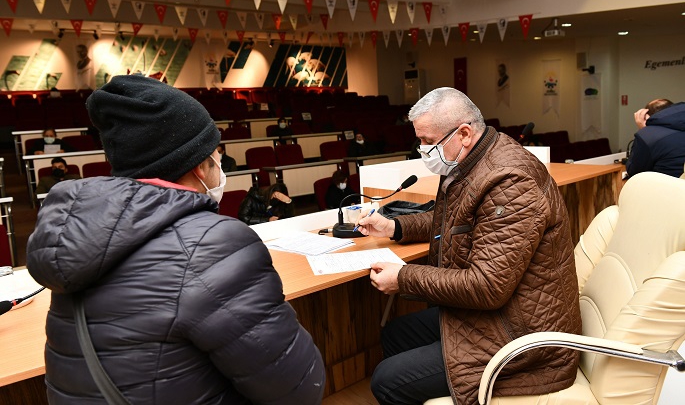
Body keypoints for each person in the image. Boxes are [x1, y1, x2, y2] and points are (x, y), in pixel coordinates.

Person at [26, 75, 324, 404]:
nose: (220, 167)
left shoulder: (80, 237)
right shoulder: (213, 243)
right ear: (199, 166)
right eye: (217, 157)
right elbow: (298, 388)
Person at [356, 87, 581, 405]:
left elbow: (487, 286)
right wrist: (393, 226)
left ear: (463, 133)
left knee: (386, 382)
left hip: (525, 338)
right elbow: (453, 220)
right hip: (502, 315)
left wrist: (404, 277)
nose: (422, 150)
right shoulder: (472, 162)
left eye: (428, 141)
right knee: (395, 333)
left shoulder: (510, 181)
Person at [626, 98, 685, 178]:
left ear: (646, 117)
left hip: (666, 188)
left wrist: (644, 130)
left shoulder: (648, 136)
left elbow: (634, 172)